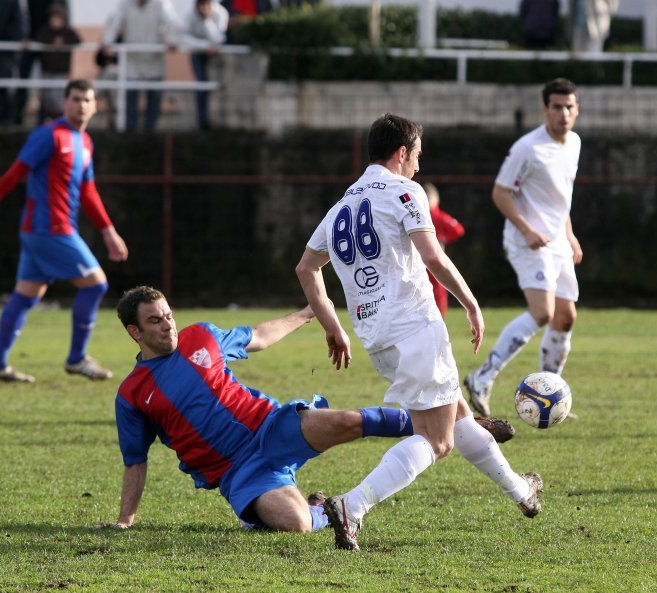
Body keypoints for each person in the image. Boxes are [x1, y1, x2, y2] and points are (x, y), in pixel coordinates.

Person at [296, 113, 539, 552]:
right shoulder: (404, 191)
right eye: (417, 157)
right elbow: (434, 257)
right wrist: (472, 303)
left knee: (457, 413)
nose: (419, 168)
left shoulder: (343, 205)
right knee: (437, 440)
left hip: (377, 335)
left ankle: (523, 494)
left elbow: (306, 267)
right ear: (402, 153)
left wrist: (333, 325)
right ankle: (353, 505)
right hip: (414, 326)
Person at [107, 285, 512, 531]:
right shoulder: (131, 393)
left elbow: (260, 337)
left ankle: (457, 422)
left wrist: (306, 314)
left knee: (350, 421)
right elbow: (134, 461)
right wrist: (126, 520)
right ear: (134, 331)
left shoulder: (201, 337)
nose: (167, 325)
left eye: (168, 315)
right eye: (155, 321)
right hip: (238, 472)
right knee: (298, 524)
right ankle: (324, 510)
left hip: (270, 426)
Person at [0, 79, 128, 384]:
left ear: (94, 106)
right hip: (49, 229)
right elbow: (17, 171)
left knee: (26, 295)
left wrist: (108, 231)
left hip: (47, 230)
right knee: (95, 285)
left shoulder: (86, 142)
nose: (81, 105)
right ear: (64, 103)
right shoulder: (50, 135)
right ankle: (77, 359)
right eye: (75, 98)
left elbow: (88, 191)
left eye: (86, 100)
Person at [463, 78, 583, 419]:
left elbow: (560, 200)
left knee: (565, 316)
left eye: (569, 107)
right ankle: (481, 378)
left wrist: (570, 234)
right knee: (542, 311)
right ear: (546, 109)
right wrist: (528, 230)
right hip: (526, 240)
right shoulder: (527, 148)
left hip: (557, 240)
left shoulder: (574, 143)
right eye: (557, 107)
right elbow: (500, 193)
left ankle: (550, 392)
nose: (563, 113)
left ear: (577, 110)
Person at [99, 0, 181, 132]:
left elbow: (173, 23)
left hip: (154, 59)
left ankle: (150, 131)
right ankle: (131, 132)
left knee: (155, 96)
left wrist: (173, 40)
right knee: (130, 95)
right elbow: (114, 24)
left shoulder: (162, 4)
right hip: (132, 60)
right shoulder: (124, 5)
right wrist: (107, 41)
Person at [14, 0, 68, 126]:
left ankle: (47, 117)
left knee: (50, 86)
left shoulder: (57, 5)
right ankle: (18, 117)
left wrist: (61, 37)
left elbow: (65, 19)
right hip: (33, 41)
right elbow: (23, 16)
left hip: (49, 44)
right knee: (23, 81)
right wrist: (23, 36)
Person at [422, 182, 465, 318]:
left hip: (420, 259)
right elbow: (458, 229)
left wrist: (442, 238)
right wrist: (443, 239)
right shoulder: (436, 215)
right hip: (433, 259)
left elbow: (457, 230)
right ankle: (438, 318)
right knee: (439, 288)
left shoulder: (418, 215)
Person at [32, 3, 81, 124]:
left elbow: (78, 41)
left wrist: (64, 43)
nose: (55, 21)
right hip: (47, 71)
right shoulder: (45, 31)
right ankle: (44, 121)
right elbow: (38, 40)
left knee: (58, 100)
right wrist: (51, 43)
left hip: (61, 72)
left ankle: (59, 122)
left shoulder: (67, 32)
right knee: (46, 98)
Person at [184, 0, 229, 130]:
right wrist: (204, 46)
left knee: (219, 86)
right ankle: (203, 121)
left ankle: (219, 120)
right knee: (202, 84)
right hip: (198, 54)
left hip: (217, 56)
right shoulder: (189, 14)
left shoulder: (220, 13)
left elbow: (219, 39)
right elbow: (184, 37)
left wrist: (207, 20)